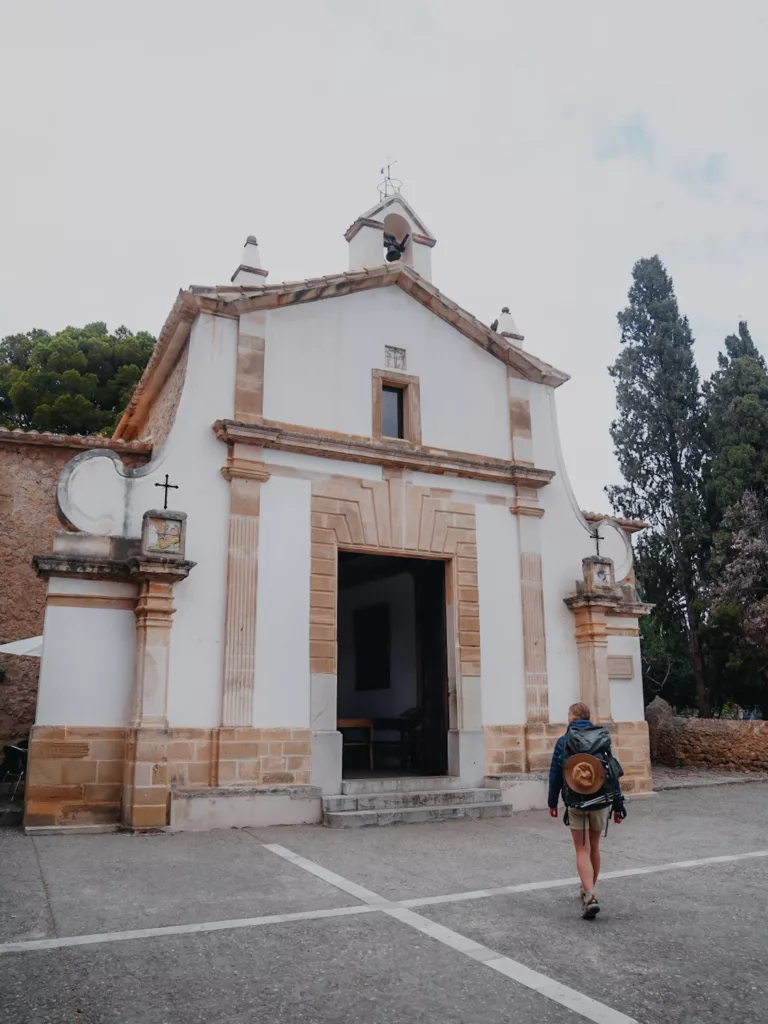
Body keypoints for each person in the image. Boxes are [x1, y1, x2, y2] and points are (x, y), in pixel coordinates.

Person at [548, 701, 625, 919]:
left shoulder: (564, 741)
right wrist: (618, 805)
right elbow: (612, 771)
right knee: (595, 847)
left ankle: (590, 894)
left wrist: (552, 802)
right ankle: (589, 890)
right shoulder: (601, 737)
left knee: (582, 849)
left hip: (576, 801)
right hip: (600, 799)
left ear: (571, 717)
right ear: (588, 717)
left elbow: (555, 775)